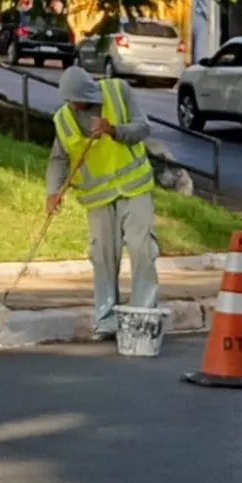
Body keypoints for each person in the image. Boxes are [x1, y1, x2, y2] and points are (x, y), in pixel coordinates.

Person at [46, 66, 160, 341]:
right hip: (98, 198)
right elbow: (59, 159)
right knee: (102, 258)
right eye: (70, 101)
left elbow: (143, 128)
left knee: (141, 247)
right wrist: (53, 190)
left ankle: (143, 316)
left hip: (133, 188)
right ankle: (106, 319)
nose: (74, 106)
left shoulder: (118, 91)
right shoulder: (63, 120)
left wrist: (113, 129)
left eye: (78, 100)